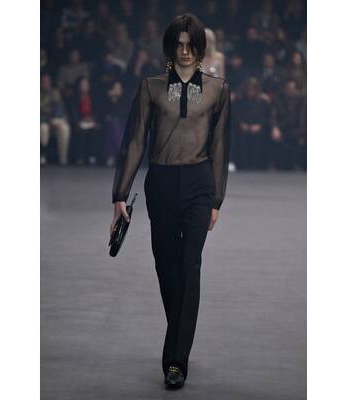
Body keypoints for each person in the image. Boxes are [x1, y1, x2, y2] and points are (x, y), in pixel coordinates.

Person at [110, 13, 231, 389]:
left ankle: (176, 360)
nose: (184, 51)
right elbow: (134, 141)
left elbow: (220, 146)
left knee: (190, 265)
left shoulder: (217, 90)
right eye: (178, 44)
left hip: (198, 184)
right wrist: (119, 195)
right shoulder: (151, 88)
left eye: (190, 45)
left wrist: (217, 200)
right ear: (169, 47)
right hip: (160, 183)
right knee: (166, 267)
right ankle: (178, 341)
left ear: (200, 48)